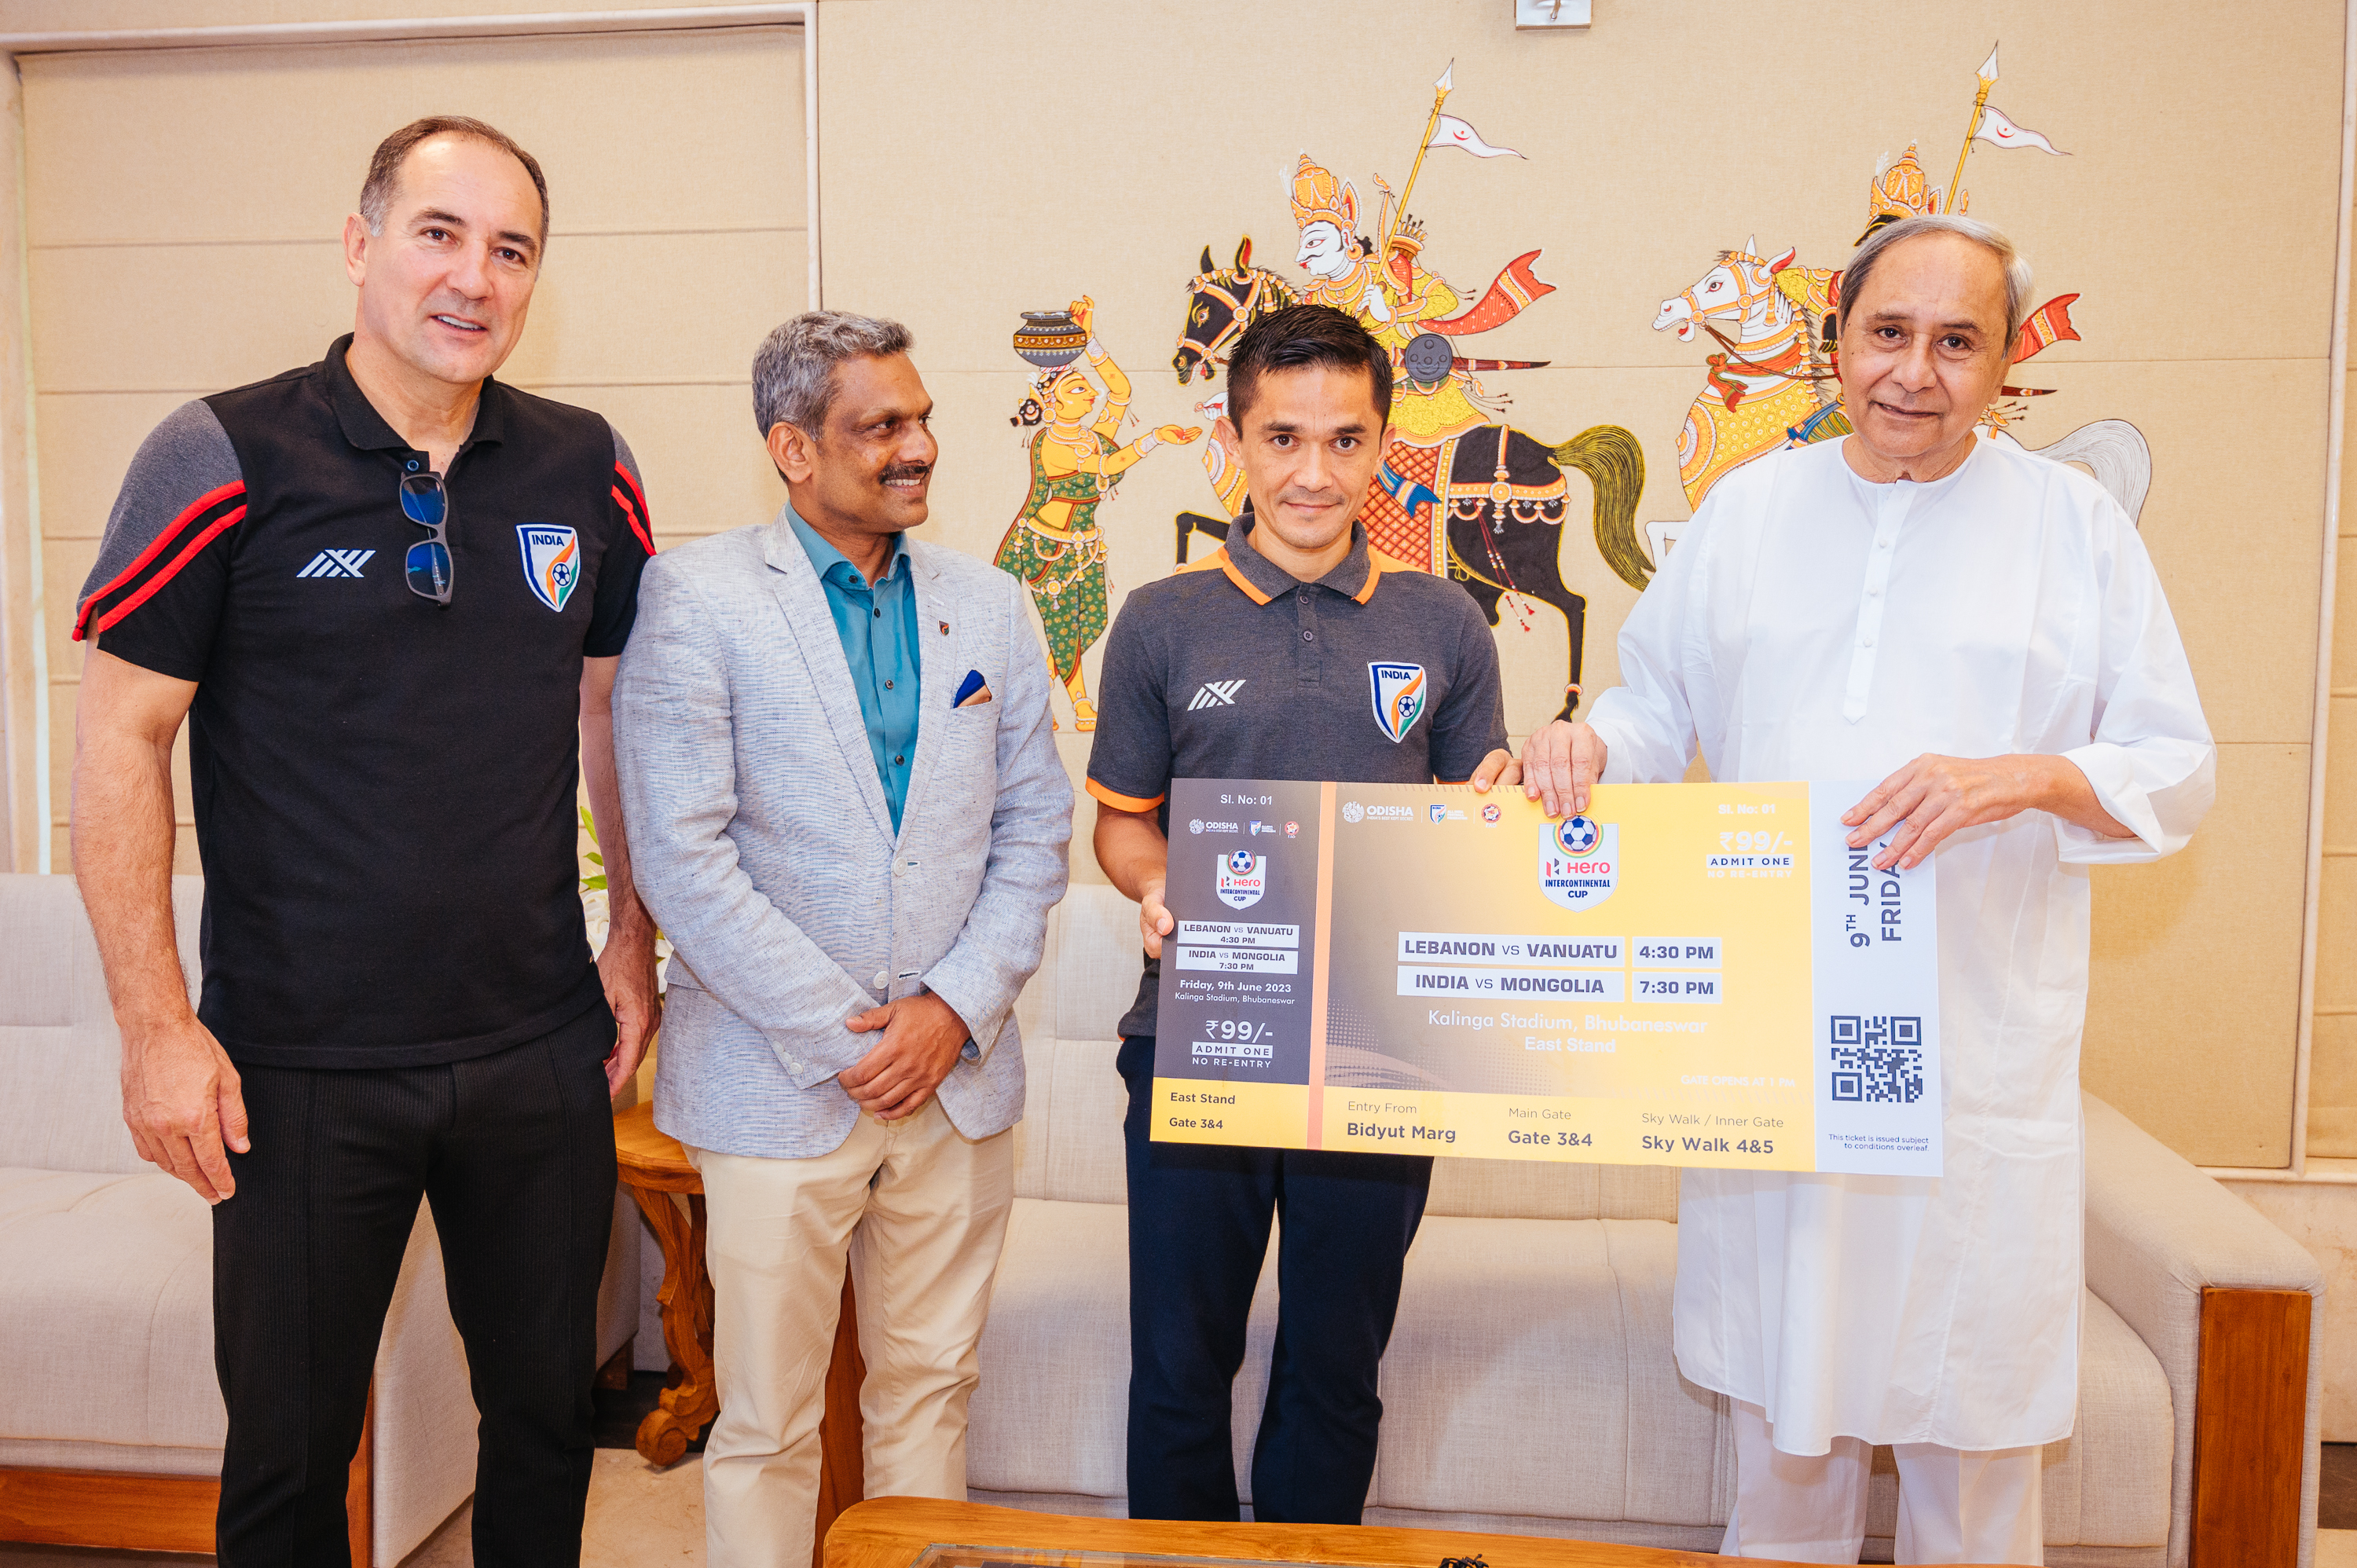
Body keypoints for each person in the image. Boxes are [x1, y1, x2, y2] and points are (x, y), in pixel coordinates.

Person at [1516, 214, 2214, 1564]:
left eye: (1957, 342)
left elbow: (2174, 767)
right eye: (1888, 332)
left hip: (1970, 1060)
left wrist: (2022, 777)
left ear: (2005, 363)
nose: (1915, 372)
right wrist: (1585, 749)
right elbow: (1653, 711)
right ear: (1835, 340)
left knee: (1976, 1451)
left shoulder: (2072, 528)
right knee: (1787, 1446)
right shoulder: (1751, 511)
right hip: (1777, 1047)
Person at [69, 116, 661, 1565]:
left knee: (546, 1422)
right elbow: (122, 740)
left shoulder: (587, 467)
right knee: (289, 1458)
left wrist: (634, 940)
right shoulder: (220, 454)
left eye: (511, 250)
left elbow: (614, 714)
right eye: (438, 234)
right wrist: (156, 1029)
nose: (474, 277)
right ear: (359, 244)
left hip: (537, 1047)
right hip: (295, 1066)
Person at [613, 311, 1072, 1568]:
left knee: (930, 1394)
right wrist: (851, 1037)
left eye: (921, 418)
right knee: (766, 1423)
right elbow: (682, 857)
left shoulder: (991, 606)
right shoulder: (696, 597)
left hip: (957, 1083)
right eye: (881, 426)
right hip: (775, 1086)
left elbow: (1037, 828)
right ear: (794, 448)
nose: (919, 446)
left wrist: (951, 1011)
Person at [1087, 302, 1519, 1522]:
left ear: (1383, 443)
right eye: (1282, 438)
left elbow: (1469, 824)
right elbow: (1121, 823)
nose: (1313, 473)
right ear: (1233, 439)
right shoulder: (1160, 621)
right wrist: (1156, 883)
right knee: (1181, 1369)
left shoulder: (1446, 623)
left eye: (1344, 439)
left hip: (1379, 1047)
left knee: (1336, 1370)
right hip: (1198, 1031)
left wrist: (1504, 818)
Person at [995, 294, 1200, 731]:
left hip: (1085, 546)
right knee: (1063, 627)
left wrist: (1090, 343)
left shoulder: (1091, 435)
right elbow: (1107, 466)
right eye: (1077, 389)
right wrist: (1155, 438)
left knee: (1092, 623)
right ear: (1053, 404)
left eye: (1087, 387)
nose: (1091, 392)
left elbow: (1121, 392)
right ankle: (1081, 703)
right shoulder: (1052, 444)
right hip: (1046, 547)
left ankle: (1037, 689)